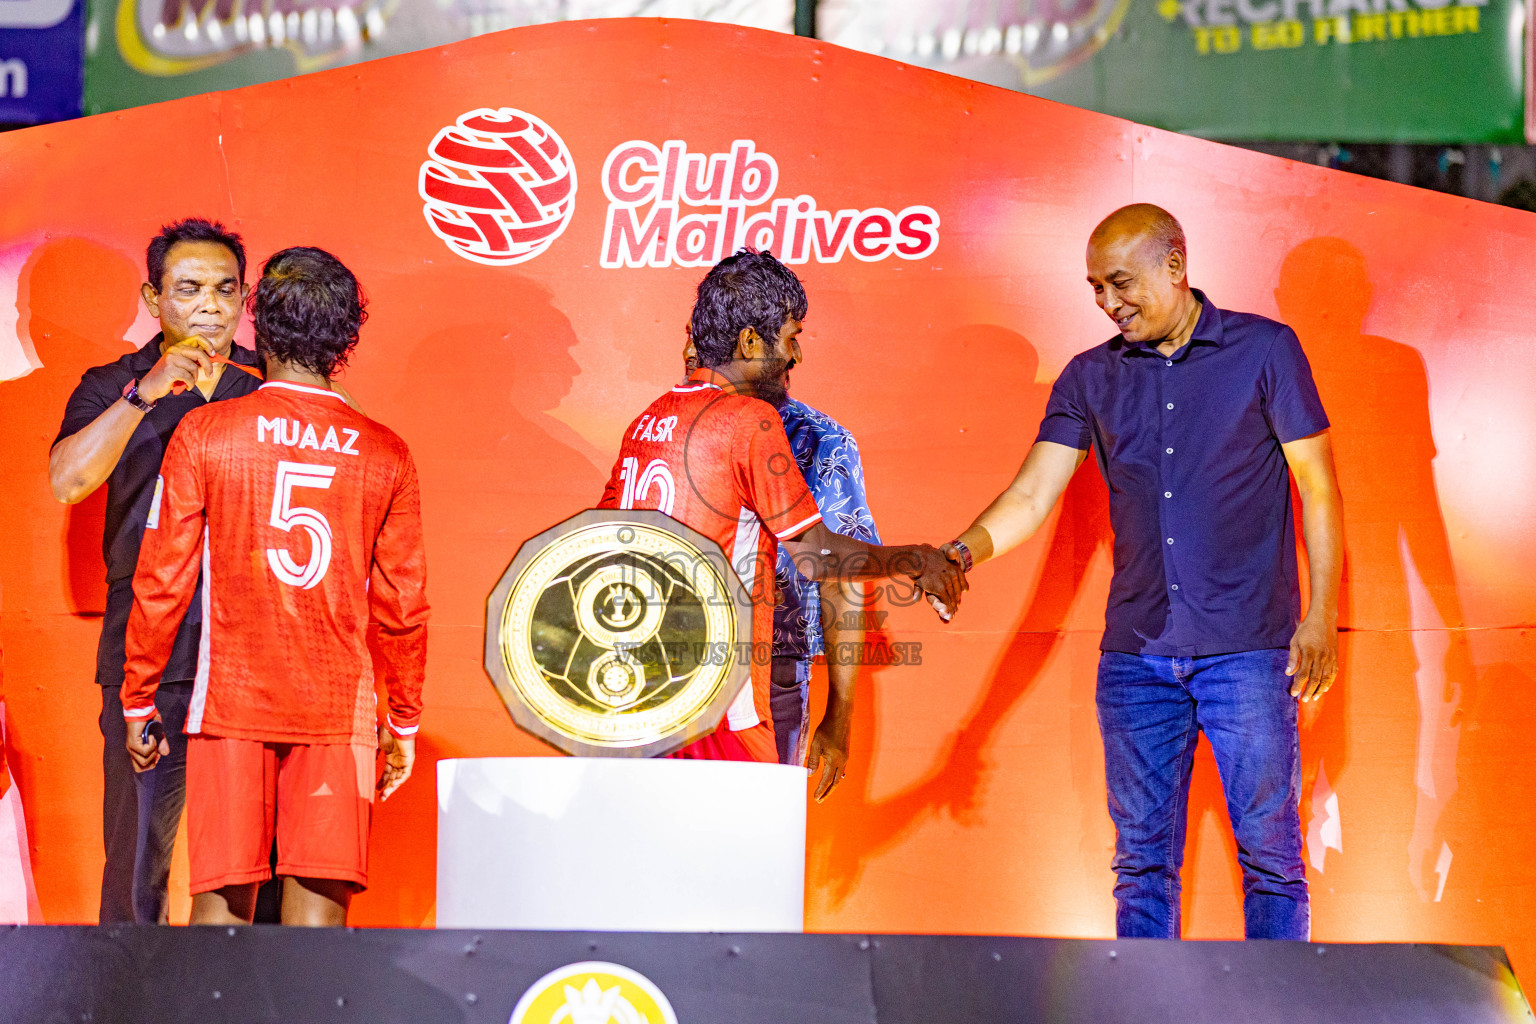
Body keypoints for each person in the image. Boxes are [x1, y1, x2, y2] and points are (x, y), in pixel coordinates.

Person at [943, 205, 1342, 940]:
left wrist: (1320, 616)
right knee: (1141, 868)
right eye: (1095, 288)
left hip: (1250, 652)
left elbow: (1316, 482)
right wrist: (960, 553)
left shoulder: (1266, 351)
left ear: (1176, 268)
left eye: (1120, 283)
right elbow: (1032, 493)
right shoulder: (1089, 377)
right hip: (1135, 664)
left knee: (1272, 860)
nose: (1107, 302)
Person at [121, 247, 428, 927]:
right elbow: (403, 607)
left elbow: (161, 578)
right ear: (348, 335)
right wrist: (401, 721)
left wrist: (138, 694)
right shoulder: (385, 451)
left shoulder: (206, 432)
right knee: (316, 933)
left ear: (260, 319)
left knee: (219, 917)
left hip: (230, 705)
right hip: (335, 713)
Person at [599, 249, 963, 764]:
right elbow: (819, 558)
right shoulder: (751, 421)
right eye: (791, 337)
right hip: (725, 704)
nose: (796, 356)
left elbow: (598, 543)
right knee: (745, 843)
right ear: (750, 340)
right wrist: (918, 559)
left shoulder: (647, 420)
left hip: (641, 686)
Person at [48, 218, 263, 924]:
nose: (210, 306)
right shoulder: (111, 384)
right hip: (149, 650)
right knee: (141, 853)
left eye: (226, 290)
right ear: (152, 296)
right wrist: (146, 391)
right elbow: (68, 481)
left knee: (253, 855)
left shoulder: (268, 389)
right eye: (190, 289)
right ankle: (127, 996)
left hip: (254, 650)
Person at [682, 336, 880, 798]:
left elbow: (841, 575)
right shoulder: (673, 426)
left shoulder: (819, 440)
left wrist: (839, 714)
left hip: (772, 677)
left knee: (754, 837)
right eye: (689, 336)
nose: (693, 349)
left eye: (705, 333)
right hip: (674, 670)